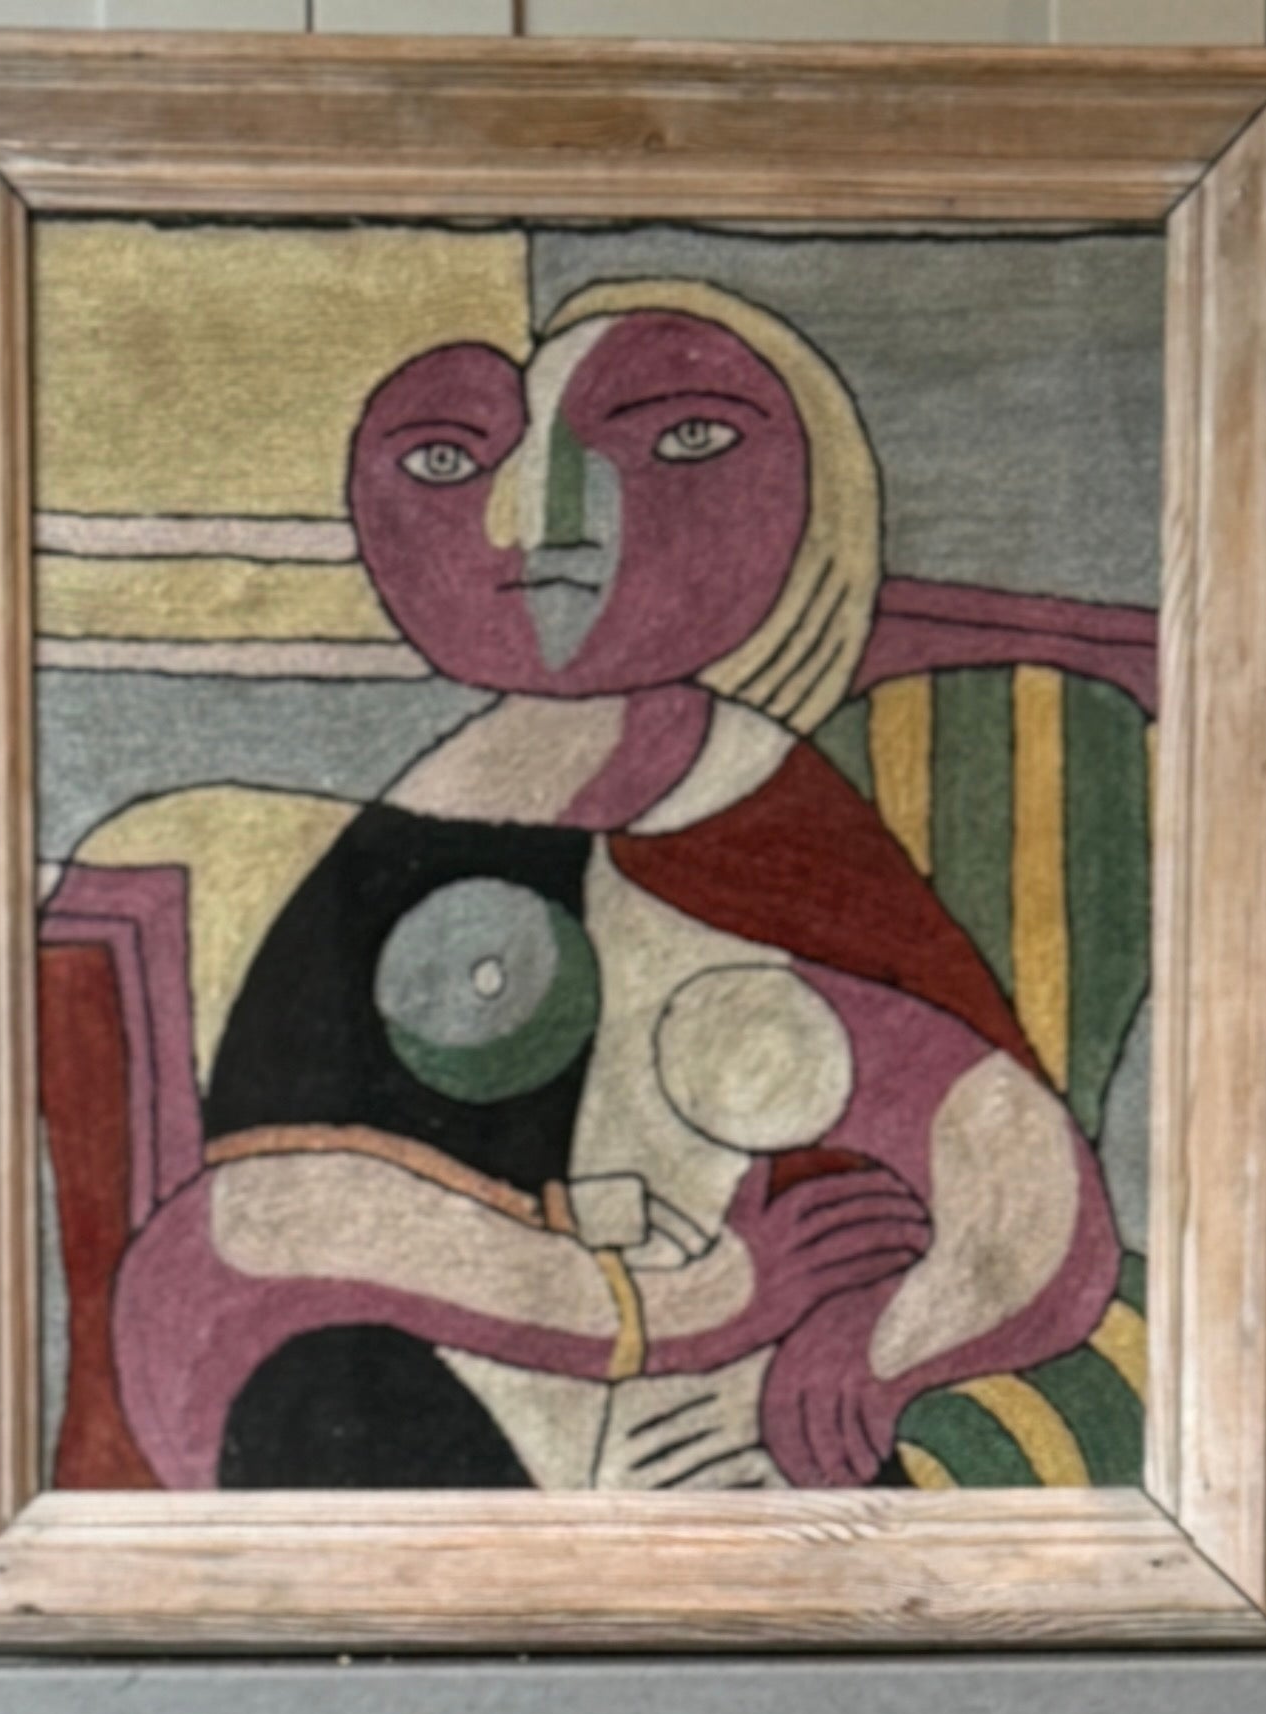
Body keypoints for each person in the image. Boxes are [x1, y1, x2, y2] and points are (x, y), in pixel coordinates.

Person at [104, 284, 1121, 1497]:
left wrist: (876, 1348)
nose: (547, 527)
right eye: (446, 459)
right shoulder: (413, 836)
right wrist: (679, 1303)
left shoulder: (761, 821)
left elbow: (1024, 1190)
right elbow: (246, 1238)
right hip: (424, 1434)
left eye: (680, 440)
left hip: (724, 1459)